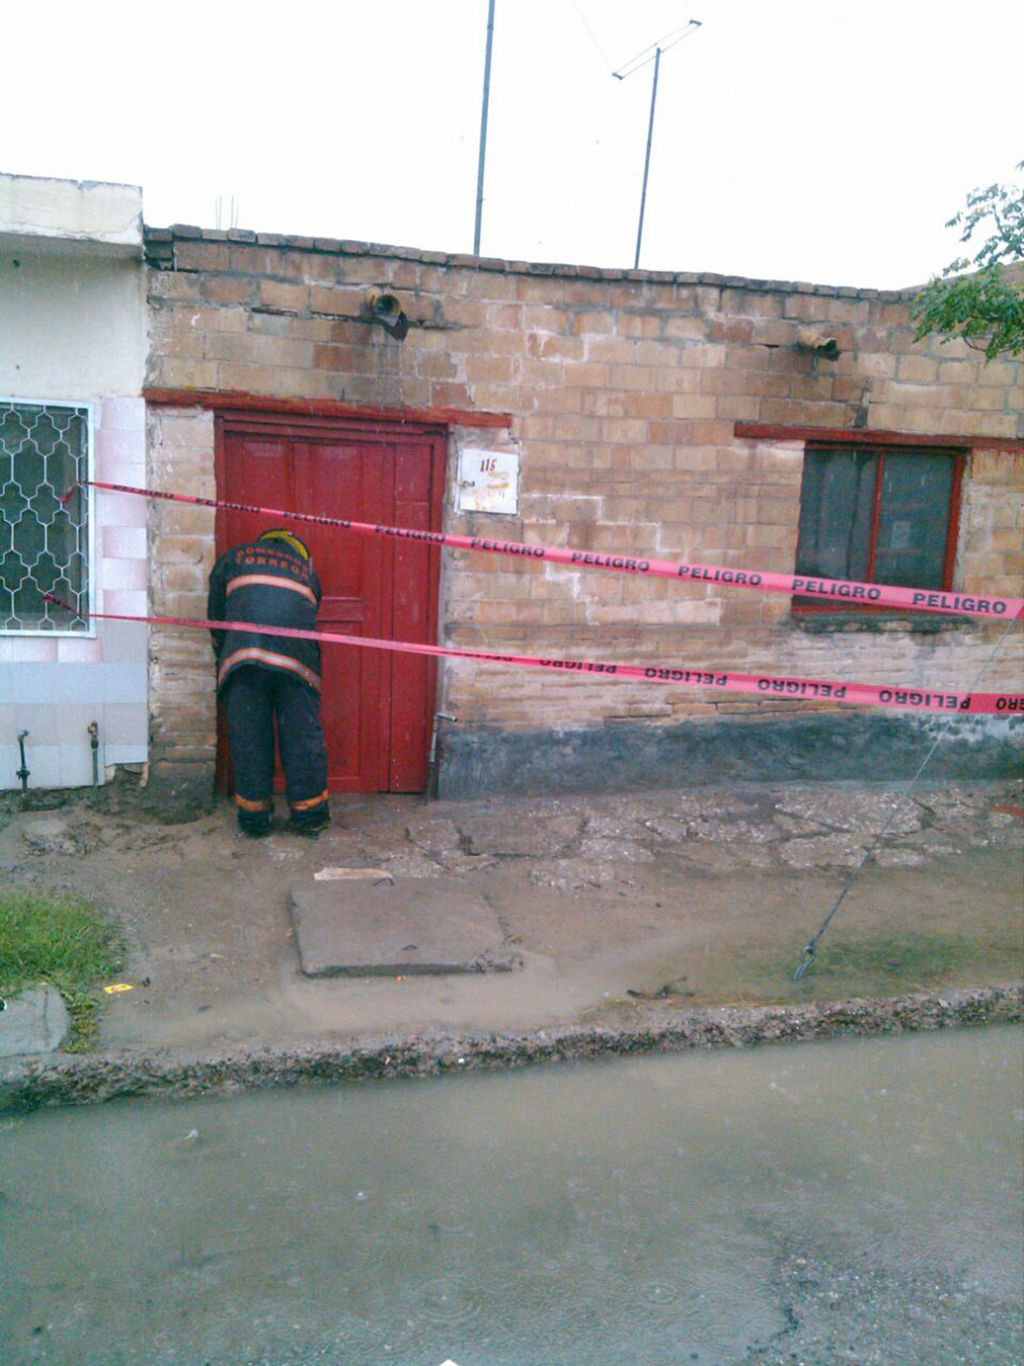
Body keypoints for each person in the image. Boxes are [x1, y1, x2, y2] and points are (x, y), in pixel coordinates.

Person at [207, 528, 330, 838]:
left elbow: (215, 614)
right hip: (296, 663)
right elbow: (308, 612)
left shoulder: (233, 558)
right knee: (301, 737)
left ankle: (254, 820)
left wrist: (224, 651)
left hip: (244, 658)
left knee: (250, 737)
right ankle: (310, 817)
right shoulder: (307, 571)